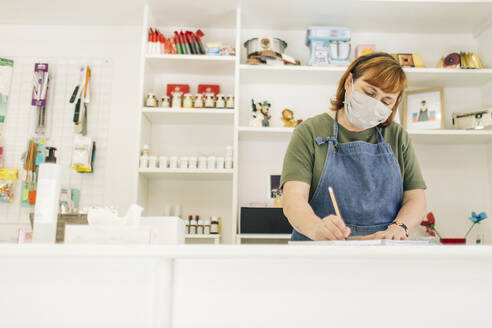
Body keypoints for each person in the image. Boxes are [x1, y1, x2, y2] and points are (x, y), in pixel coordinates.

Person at [280, 52, 427, 241]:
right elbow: (293, 199)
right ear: (349, 82)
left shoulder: (397, 136)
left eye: (386, 101)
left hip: (382, 254)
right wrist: (316, 227)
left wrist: (398, 228)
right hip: (319, 254)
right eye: (369, 93)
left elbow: (416, 199)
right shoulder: (309, 131)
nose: (375, 104)